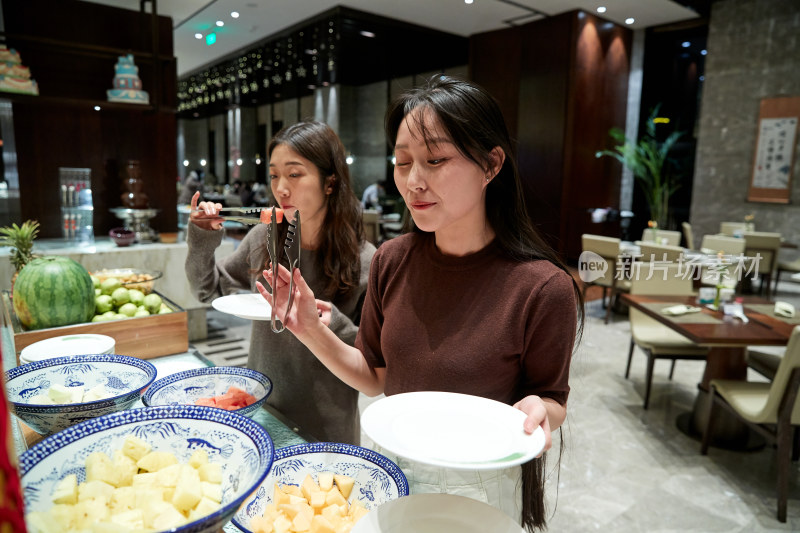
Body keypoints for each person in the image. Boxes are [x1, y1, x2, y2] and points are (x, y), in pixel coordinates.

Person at [259, 76, 584, 531]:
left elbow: (552, 400)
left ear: (491, 165)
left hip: (482, 485)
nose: (413, 181)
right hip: (392, 466)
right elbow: (374, 378)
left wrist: (538, 409)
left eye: (435, 160)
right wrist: (310, 329)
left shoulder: (542, 287)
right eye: (402, 162)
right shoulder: (392, 259)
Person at [186, 120, 376, 444]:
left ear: (329, 183)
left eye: (295, 174)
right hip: (261, 410)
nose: (280, 188)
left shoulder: (365, 260)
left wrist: (322, 321)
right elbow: (208, 289)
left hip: (326, 428)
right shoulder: (264, 238)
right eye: (274, 175)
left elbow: (370, 364)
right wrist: (203, 238)